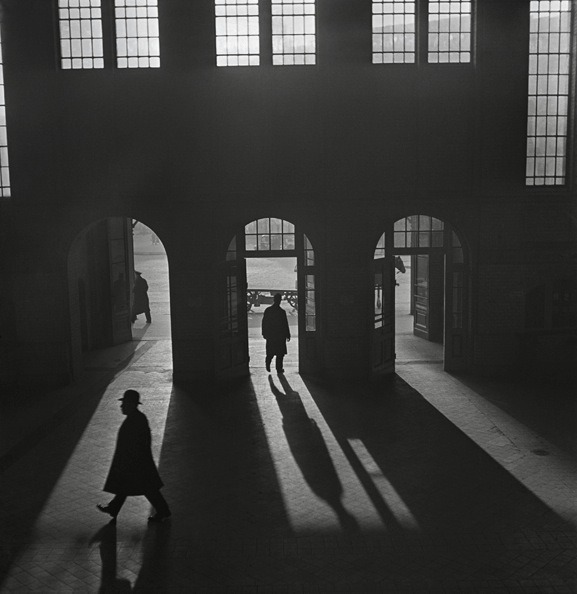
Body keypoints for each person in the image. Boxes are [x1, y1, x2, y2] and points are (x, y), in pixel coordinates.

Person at [96, 390, 171, 523]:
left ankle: (163, 511)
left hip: (137, 463)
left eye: (124, 403)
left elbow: (140, 443)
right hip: (137, 463)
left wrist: (131, 460)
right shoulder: (136, 418)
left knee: (147, 489)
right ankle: (114, 508)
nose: (122, 406)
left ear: (131, 404)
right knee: (134, 487)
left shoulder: (136, 420)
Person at [262, 293, 291, 373]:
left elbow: (264, 323)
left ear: (273, 300)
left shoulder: (268, 310)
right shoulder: (282, 312)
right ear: (280, 301)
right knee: (280, 354)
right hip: (280, 335)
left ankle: (268, 363)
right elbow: (285, 324)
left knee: (270, 352)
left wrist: (264, 333)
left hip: (271, 335)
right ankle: (279, 368)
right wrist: (287, 334)